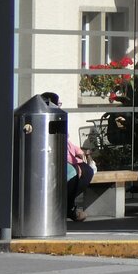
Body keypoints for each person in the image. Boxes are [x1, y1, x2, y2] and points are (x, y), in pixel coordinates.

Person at [41, 92, 94, 221]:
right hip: (57, 163)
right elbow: (55, 148)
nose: (60, 106)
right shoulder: (48, 119)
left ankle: (67, 207)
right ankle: (66, 207)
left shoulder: (57, 118)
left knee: (86, 170)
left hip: (69, 160)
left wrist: (79, 152)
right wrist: (75, 165)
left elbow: (67, 143)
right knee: (76, 172)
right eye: (58, 103)